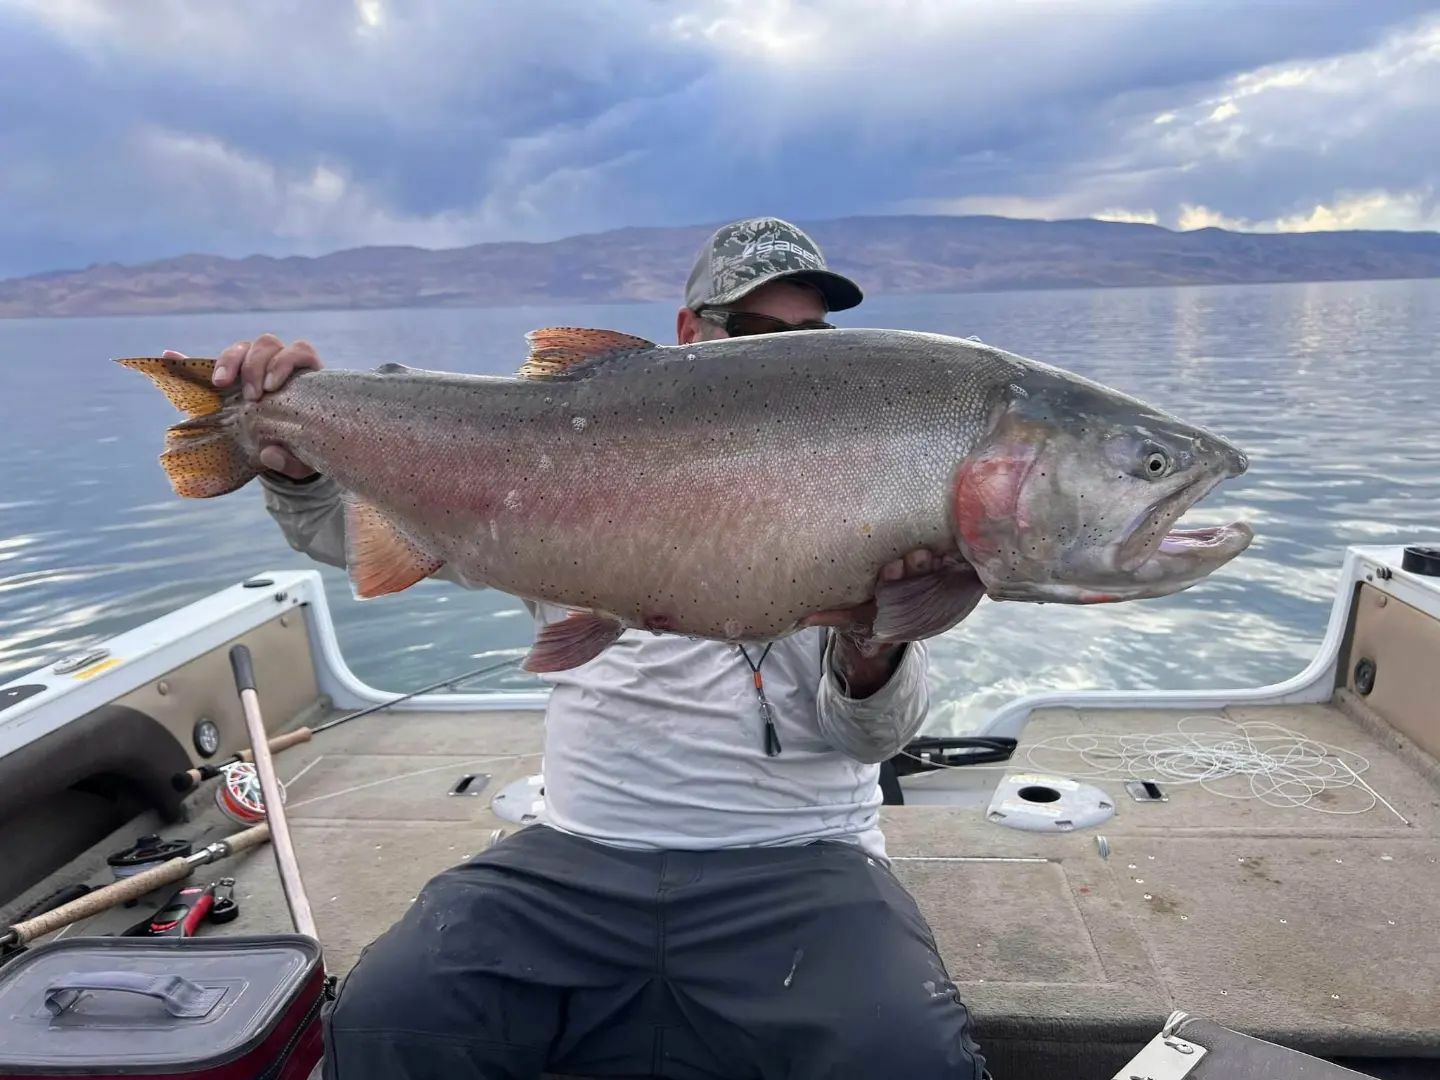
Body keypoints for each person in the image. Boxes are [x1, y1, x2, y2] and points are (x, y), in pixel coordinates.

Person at [186, 218, 988, 1078]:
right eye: (759, 332)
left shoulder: (865, 489)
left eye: (812, 338)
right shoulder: (567, 467)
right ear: (689, 335)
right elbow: (352, 530)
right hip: (577, 856)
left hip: (803, 860)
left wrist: (877, 640)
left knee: (909, 1056)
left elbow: (872, 738)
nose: (790, 355)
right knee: (389, 1017)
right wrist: (292, 464)